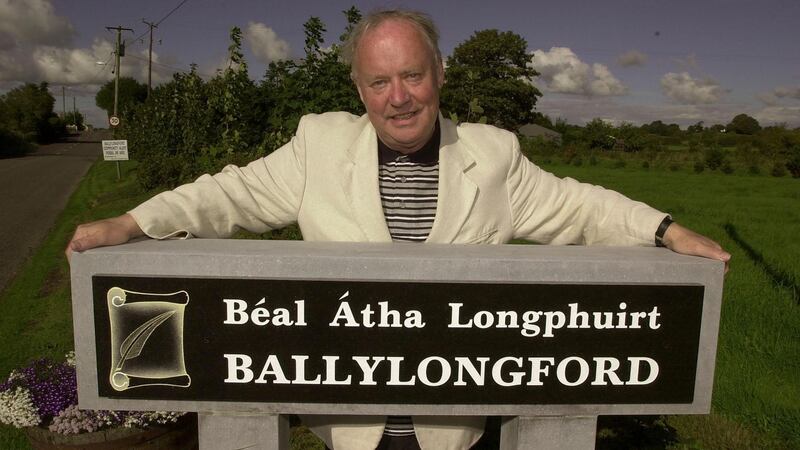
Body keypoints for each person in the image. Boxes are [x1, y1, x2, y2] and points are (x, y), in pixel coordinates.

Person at [67, 9, 730, 450]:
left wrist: (666, 229)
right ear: (360, 90)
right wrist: (131, 221)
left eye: (412, 75)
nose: (399, 96)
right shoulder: (316, 145)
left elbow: (581, 208)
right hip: (347, 430)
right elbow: (228, 194)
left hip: (456, 432)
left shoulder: (492, 155)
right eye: (380, 81)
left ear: (439, 75)